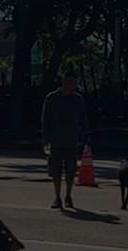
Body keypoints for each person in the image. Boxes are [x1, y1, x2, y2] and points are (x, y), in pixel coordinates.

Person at [41, 71, 89, 209]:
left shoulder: (77, 99)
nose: (72, 86)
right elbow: (45, 119)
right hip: (56, 141)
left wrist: (84, 137)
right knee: (56, 172)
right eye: (69, 82)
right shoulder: (52, 98)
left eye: (74, 83)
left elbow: (83, 120)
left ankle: (68, 195)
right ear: (64, 82)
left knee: (70, 171)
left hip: (72, 141)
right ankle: (57, 197)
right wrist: (45, 138)